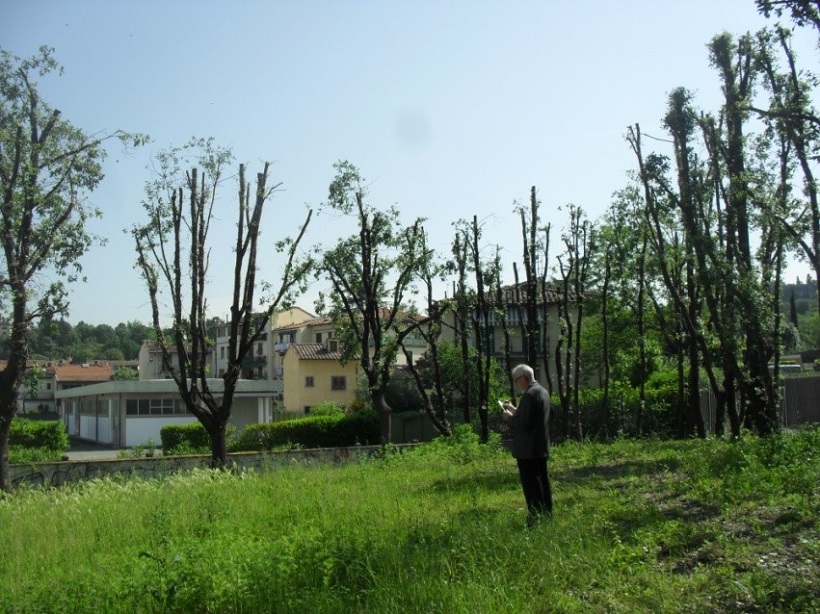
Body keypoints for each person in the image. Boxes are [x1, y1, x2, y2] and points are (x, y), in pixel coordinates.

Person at [501, 363, 552, 526]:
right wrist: (514, 409)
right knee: (543, 482)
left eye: (517, 381)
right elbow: (529, 416)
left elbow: (524, 423)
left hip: (528, 450)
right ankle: (547, 514)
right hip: (540, 446)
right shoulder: (542, 391)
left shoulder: (529, 394)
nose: (517, 384)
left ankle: (535, 518)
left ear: (523, 378)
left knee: (532, 486)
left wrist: (508, 418)